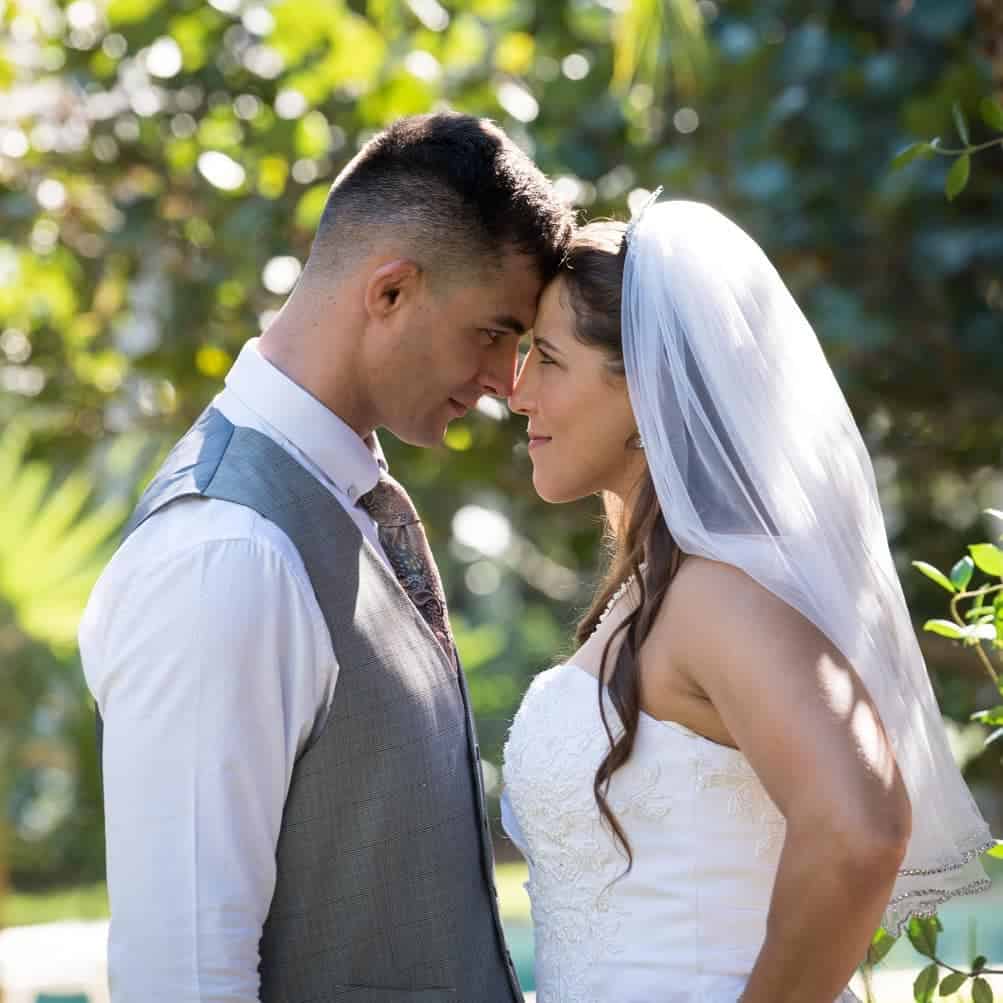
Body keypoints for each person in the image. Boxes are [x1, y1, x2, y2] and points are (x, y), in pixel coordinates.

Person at [79, 111, 573, 1002]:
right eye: (493, 333)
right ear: (389, 292)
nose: (508, 382)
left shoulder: (344, 502)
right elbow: (181, 978)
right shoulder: (224, 553)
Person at [502, 199, 994, 1003]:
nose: (518, 395)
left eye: (547, 360)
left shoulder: (719, 593)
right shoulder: (656, 593)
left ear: (645, 389)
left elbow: (859, 829)